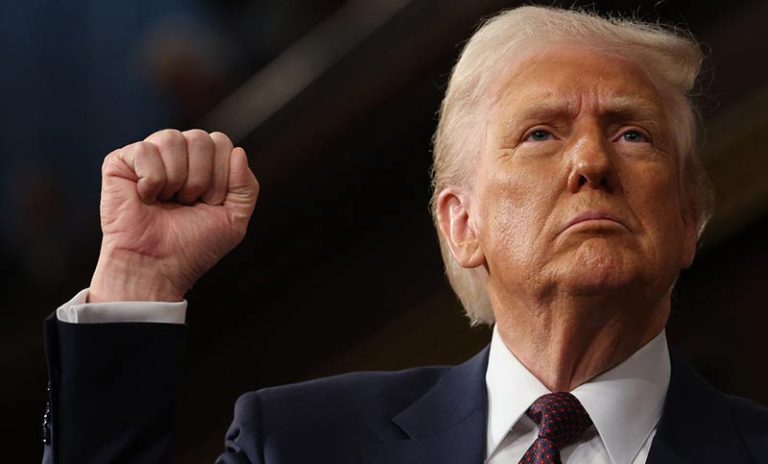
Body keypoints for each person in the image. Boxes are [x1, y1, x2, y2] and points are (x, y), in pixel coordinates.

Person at [42, 5, 768, 464]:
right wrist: (137, 280)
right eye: (541, 133)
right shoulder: (299, 444)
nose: (591, 163)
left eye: (633, 134)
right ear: (462, 224)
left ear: (687, 221)